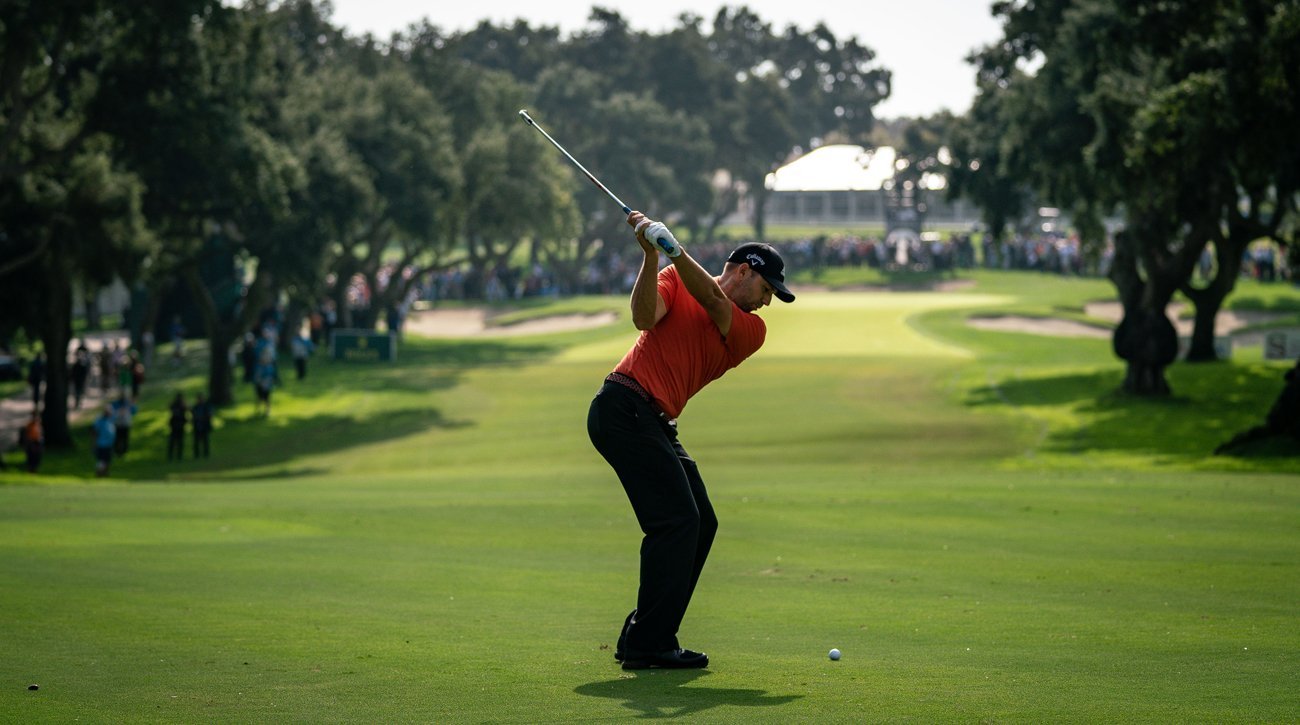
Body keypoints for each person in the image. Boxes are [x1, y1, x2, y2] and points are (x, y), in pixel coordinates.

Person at [587, 211, 795, 671]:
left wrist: (674, 251)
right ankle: (649, 643)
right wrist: (650, 257)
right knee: (677, 520)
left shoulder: (749, 330)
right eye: (766, 291)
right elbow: (643, 318)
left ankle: (645, 632)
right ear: (745, 271)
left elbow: (716, 303)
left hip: (652, 420)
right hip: (623, 406)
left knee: (701, 522)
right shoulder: (673, 280)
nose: (767, 303)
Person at [92, 405, 116, 477]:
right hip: (101, 444)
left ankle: (105, 472)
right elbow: (95, 432)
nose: (109, 413)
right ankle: (99, 473)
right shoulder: (99, 420)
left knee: (108, 460)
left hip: (109, 444)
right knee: (101, 460)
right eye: (108, 411)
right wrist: (94, 443)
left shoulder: (110, 419)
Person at [167, 393, 189, 461]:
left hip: (178, 425)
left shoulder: (179, 406)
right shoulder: (176, 405)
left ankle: (177, 456)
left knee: (177, 442)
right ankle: (174, 456)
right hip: (176, 425)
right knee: (175, 442)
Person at [191, 393, 213, 458]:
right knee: (196, 442)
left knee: (205, 441)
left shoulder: (206, 406)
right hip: (197, 426)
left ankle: (206, 454)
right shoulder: (196, 407)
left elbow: (209, 415)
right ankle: (196, 454)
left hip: (204, 426)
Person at [71, 344, 91, 410]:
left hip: (79, 381)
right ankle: (77, 403)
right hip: (78, 381)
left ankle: (78, 403)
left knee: (79, 392)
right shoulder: (78, 365)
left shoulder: (80, 365)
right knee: (78, 392)